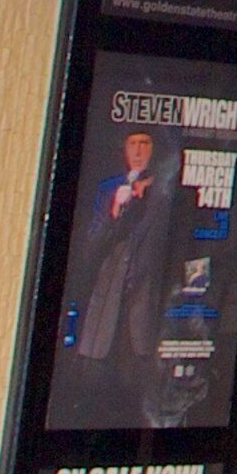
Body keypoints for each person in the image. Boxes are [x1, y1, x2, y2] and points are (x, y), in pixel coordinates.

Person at [57, 128, 182, 426]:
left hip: (141, 323)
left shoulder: (167, 196)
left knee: (133, 403)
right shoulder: (108, 189)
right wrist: (114, 212)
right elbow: (88, 251)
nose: (138, 151)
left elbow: (173, 254)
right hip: (102, 322)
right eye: (132, 144)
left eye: (145, 144)